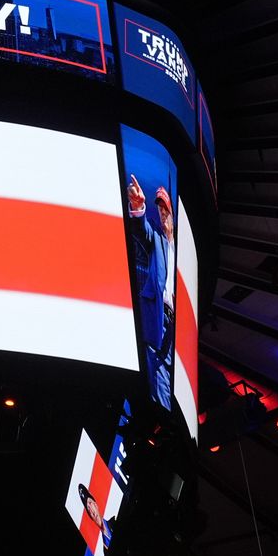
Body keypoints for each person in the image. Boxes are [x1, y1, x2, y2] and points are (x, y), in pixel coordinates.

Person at [125, 174, 177, 408]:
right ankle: (157, 413)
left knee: (168, 373)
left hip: (177, 323)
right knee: (153, 369)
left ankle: (164, 411)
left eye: (165, 207)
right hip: (157, 313)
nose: (162, 213)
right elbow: (140, 228)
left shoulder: (181, 252)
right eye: (159, 209)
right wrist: (138, 207)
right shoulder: (156, 237)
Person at [76, 483, 113, 549]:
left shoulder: (114, 522)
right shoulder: (105, 547)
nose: (91, 510)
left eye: (90, 503)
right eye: (88, 508)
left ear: (95, 505)